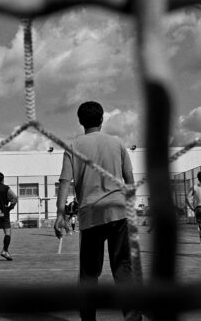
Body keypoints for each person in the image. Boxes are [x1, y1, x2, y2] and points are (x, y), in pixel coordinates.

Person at [54, 101, 141, 321]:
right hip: (119, 213)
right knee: (123, 271)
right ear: (102, 119)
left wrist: (60, 213)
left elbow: (65, 182)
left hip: (90, 215)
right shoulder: (117, 143)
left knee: (89, 275)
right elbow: (129, 179)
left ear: (80, 121)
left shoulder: (74, 146)